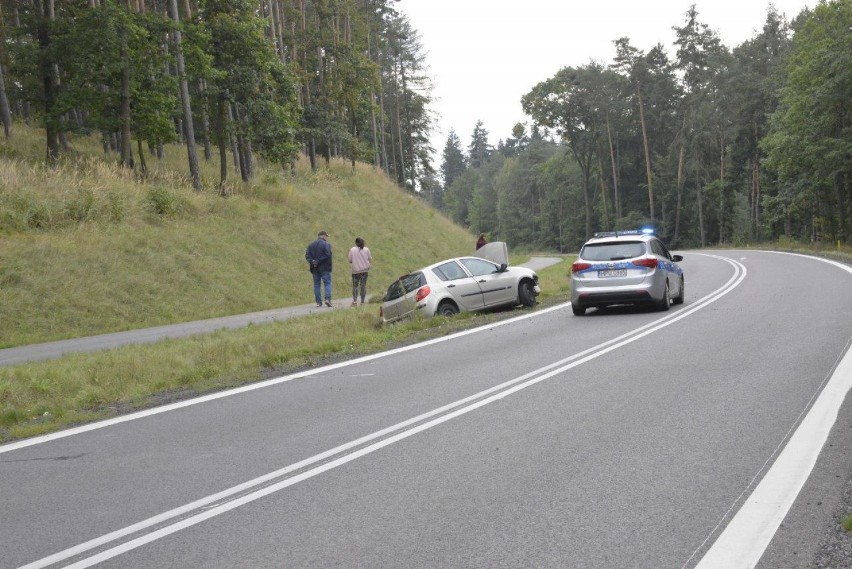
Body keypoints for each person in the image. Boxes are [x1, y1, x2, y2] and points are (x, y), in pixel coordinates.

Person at [305, 230, 333, 307]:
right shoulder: (327, 244)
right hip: (325, 267)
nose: (327, 238)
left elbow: (307, 256)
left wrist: (313, 262)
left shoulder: (311, 245)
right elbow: (327, 255)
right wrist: (318, 261)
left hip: (314, 268)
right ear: (323, 236)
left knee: (317, 285)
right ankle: (327, 299)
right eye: (326, 236)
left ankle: (318, 302)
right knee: (327, 283)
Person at [347, 237, 372, 306]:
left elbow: (349, 260)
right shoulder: (366, 249)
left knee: (355, 286)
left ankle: (355, 301)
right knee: (363, 286)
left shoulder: (352, 250)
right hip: (365, 271)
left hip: (355, 271)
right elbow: (370, 258)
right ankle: (362, 302)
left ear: (356, 243)